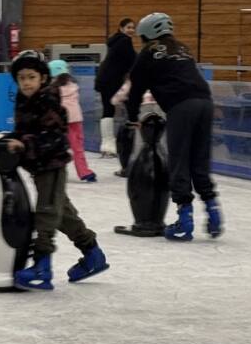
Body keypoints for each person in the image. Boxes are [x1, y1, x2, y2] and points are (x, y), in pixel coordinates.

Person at [4, 50, 108, 291]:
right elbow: (23, 130)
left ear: (42, 78)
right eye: (21, 78)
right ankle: (94, 255)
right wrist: (10, 139)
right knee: (63, 215)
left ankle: (43, 267)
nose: (26, 83)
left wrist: (24, 144)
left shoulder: (48, 100)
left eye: (31, 77)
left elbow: (51, 136)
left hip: (52, 165)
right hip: (38, 166)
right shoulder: (23, 100)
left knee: (47, 213)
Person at [126, 12, 223, 242]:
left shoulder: (148, 53)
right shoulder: (182, 49)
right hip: (205, 103)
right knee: (199, 159)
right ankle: (214, 213)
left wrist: (132, 117)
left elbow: (136, 88)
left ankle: (184, 220)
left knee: (179, 160)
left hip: (181, 106)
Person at [48, 59, 96, 182]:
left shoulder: (52, 90)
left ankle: (53, 170)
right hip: (76, 120)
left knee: (56, 147)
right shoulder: (74, 86)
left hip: (61, 121)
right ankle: (84, 172)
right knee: (78, 147)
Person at [94, 18, 137, 157]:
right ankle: (128, 142)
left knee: (108, 109)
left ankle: (107, 145)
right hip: (111, 81)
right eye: (128, 27)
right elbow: (134, 60)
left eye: (133, 27)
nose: (131, 30)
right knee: (129, 107)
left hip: (105, 79)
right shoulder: (125, 41)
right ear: (121, 28)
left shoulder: (115, 40)